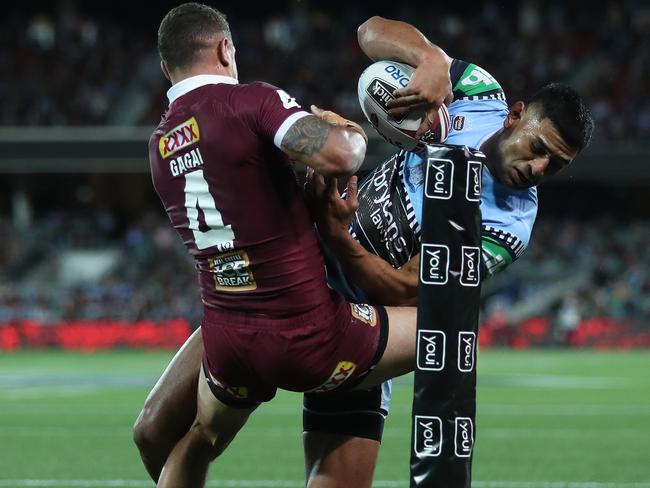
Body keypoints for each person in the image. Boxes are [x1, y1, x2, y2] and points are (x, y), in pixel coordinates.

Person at [134, 12, 594, 488]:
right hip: (291, 274)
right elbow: (369, 31)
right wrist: (430, 58)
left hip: (363, 322)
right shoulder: (479, 95)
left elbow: (414, 291)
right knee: (152, 433)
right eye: (538, 147)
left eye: (555, 166)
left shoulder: (509, 224)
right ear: (515, 115)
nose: (539, 167)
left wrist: (338, 237)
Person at [145, 5, 422, 487]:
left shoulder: (161, 141)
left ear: (167, 69)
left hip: (228, 335)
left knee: (202, 439)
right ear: (225, 48)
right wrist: (349, 131)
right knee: (450, 323)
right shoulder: (250, 102)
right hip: (307, 332)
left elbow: (244, 199)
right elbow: (342, 154)